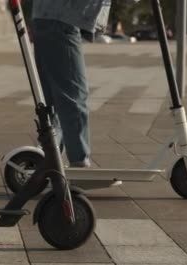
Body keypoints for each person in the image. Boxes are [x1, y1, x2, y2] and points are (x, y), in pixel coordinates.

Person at [31, 0, 111, 168]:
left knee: (55, 99)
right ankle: (79, 162)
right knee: (73, 95)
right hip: (60, 19)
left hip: (52, 17)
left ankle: (51, 159)